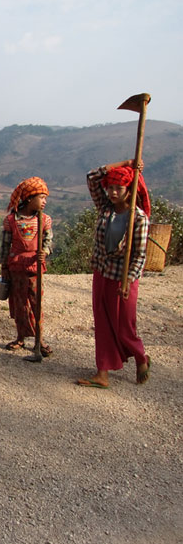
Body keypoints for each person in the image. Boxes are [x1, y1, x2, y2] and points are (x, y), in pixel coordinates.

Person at [77, 159, 151, 389]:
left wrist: (128, 280)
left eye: (118, 188)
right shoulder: (105, 208)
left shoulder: (138, 219)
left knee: (124, 325)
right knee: (102, 322)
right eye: (110, 188)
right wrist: (127, 163)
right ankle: (102, 372)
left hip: (124, 278)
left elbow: (139, 255)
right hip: (102, 272)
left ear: (129, 190)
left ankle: (141, 357)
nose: (112, 192)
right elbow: (92, 176)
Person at [0, 176, 53, 361]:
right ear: (30, 198)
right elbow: (5, 246)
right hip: (16, 268)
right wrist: (4, 267)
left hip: (34, 268)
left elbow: (47, 241)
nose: (45, 202)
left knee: (36, 304)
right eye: (42, 198)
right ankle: (21, 337)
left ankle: (39, 341)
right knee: (19, 304)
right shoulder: (11, 220)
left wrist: (44, 252)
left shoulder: (44, 220)